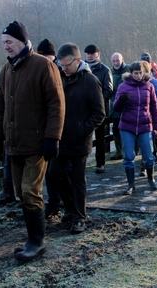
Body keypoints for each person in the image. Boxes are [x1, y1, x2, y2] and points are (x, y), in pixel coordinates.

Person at [0, 21, 65, 262]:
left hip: (36, 143)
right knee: (21, 193)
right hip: (14, 144)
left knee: (30, 191)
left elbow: (57, 103)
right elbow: (1, 107)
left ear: (22, 41)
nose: (6, 47)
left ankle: (37, 242)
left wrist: (53, 137)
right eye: (3, 43)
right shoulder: (6, 70)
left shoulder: (43, 65)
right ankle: (31, 238)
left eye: (9, 42)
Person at [50, 43, 105, 234]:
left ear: (78, 61)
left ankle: (79, 217)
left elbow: (99, 113)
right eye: (61, 65)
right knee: (55, 172)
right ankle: (71, 208)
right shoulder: (60, 78)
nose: (64, 69)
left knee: (78, 179)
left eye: (67, 65)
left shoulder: (91, 81)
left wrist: (82, 130)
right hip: (60, 138)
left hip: (80, 140)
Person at [113, 61, 157, 195]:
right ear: (131, 73)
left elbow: (154, 108)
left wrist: (156, 128)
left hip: (145, 125)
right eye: (135, 73)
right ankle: (130, 184)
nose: (138, 76)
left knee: (148, 156)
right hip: (127, 125)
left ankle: (151, 179)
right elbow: (115, 108)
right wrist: (121, 100)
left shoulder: (149, 86)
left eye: (140, 73)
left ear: (144, 72)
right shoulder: (123, 86)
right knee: (128, 156)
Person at [37, 38, 63, 219]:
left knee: (59, 170)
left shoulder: (60, 72)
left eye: (46, 55)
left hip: (59, 129)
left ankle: (59, 203)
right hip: (42, 129)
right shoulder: (37, 71)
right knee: (47, 171)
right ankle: (51, 202)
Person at [84, 44, 112, 174]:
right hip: (84, 108)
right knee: (84, 134)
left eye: (92, 53)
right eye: (88, 53)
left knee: (100, 137)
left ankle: (100, 163)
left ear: (98, 54)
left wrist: (98, 102)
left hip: (99, 109)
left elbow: (108, 90)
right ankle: (82, 161)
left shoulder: (104, 70)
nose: (90, 55)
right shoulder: (82, 68)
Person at [109, 52, 130, 161]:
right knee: (116, 128)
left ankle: (132, 150)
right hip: (115, 104)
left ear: (122, 59)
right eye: (114, 61)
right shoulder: (110, 72)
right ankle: (119, 151)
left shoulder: (129, 69)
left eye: (117, 60)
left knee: (130, 127)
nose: (116, 63)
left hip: (128, 104)